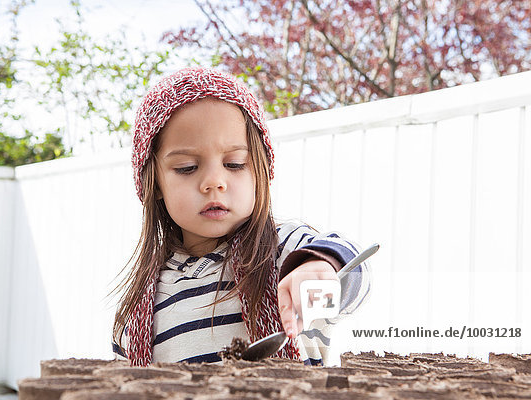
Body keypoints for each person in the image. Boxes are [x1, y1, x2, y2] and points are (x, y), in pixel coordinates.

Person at [112, 67, 371, 367]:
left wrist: (320, 269)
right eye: (186, 167)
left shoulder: (283, 252)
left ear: (259, 169)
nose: (214, 182)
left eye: (234, 164)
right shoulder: (136, 313)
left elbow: (356, 274)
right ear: (154, 183)